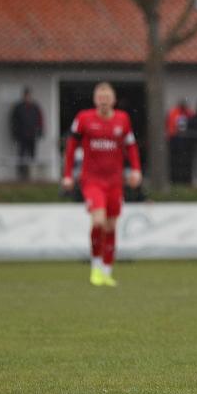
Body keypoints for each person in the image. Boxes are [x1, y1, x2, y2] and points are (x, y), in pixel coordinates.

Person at [62, 82, 142, 287]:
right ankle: (95, 266)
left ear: (113, 100)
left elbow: (131, 146)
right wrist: (68, 174)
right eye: (100, 97)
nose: (104, 101)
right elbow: (71, 147)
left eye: (107, 97)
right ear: (95, 100)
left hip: (115, 181)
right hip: (92, 180)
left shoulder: (122, 120)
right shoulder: (84, 119)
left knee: (111, 225)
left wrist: (135, 169)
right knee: (98, 221)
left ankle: (107, 270)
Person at [9, 88, 44, 181]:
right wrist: (15, 133)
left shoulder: (35, 107)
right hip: (22, 135)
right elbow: (14, 121)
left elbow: (40, 120)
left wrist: (40, 131)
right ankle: (21, 175)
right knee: (21, 155)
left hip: (32, 135)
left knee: (32, 154)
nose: (28, 97)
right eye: (26, 96)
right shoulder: (18, 107)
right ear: (24, 96)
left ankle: (32, 175)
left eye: (29, 95)